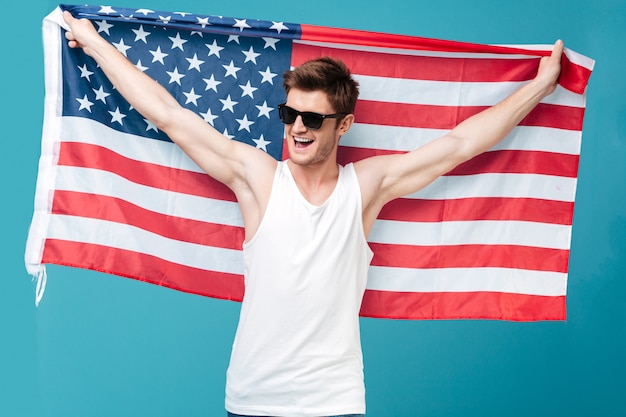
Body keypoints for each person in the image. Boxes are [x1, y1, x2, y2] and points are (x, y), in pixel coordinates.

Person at [62, 10, 563, 417]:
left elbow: (460, 144)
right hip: (253, 400)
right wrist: (96, 42)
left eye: (313, 119)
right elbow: (169, 115)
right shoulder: (258, 179)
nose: (297, 128)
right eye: (290, 115)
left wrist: (540, 86)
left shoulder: (367, 187)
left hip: (334, 402)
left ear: (343, 125)